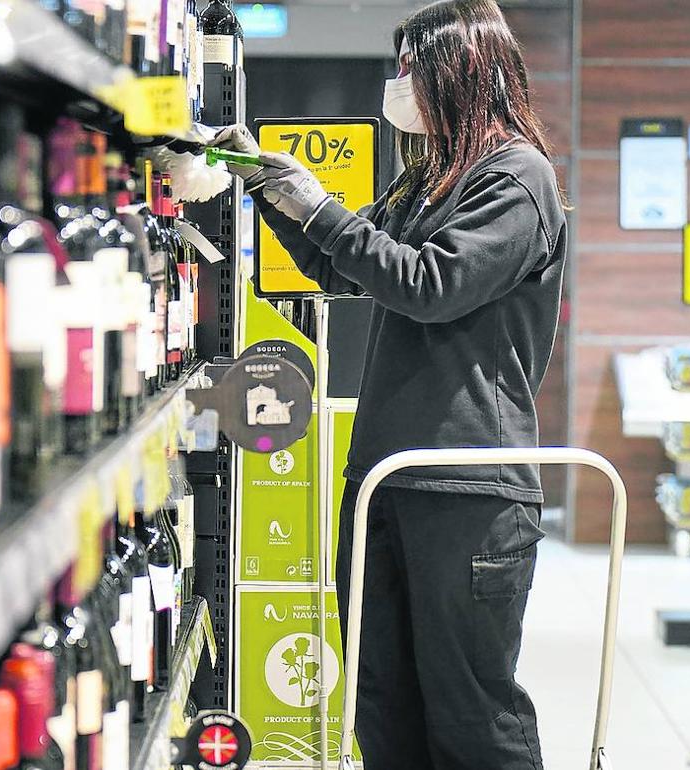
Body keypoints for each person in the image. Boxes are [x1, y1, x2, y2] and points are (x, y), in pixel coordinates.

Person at [212, 1, 566, 768]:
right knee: (381, 700)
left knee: (470, 711)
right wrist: (272, 190)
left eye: (412, 67)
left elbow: (429, 285)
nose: (399, 82)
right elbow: (337, 264)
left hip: (468, 488)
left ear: (460, 72)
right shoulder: (427, 181)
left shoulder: (515, 179)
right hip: (383, 476)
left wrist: (319, 205)